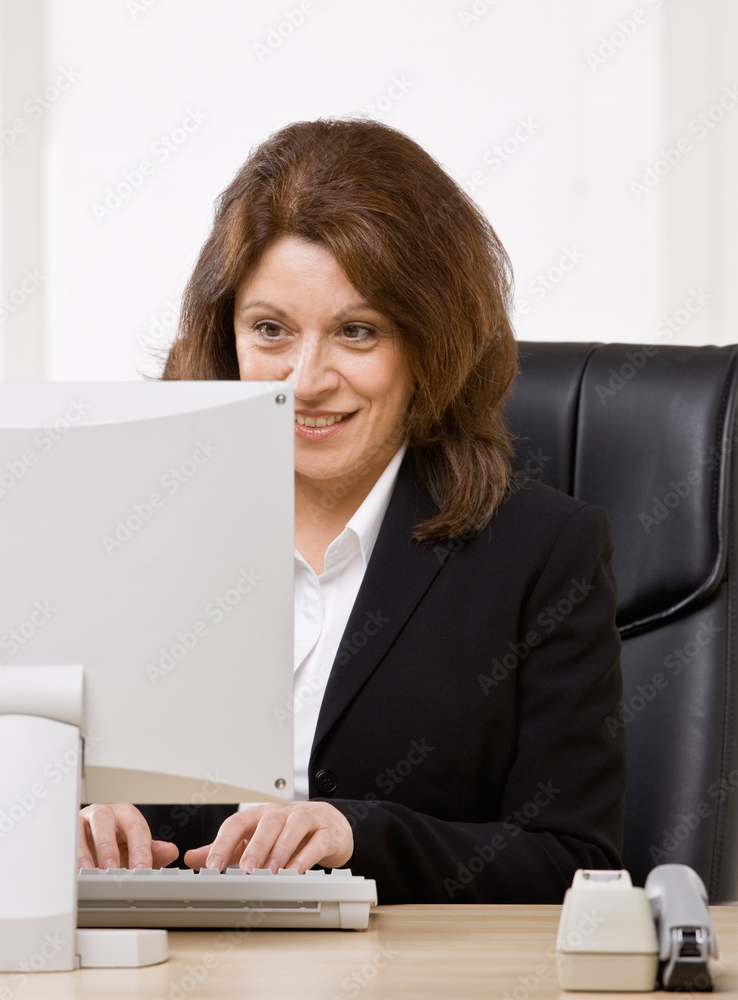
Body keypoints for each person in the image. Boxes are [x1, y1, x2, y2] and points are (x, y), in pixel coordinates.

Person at [78, 118, 626, 904]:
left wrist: (358, 835)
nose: (306, 379)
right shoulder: (132, 527)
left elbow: (577, 861)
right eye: (270, 329)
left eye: (357, 332)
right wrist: (53, 822)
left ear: (429, 345)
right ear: (225, 333)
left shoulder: (542, 554)